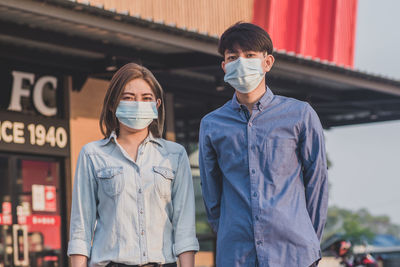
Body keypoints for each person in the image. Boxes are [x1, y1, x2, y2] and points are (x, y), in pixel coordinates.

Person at [199, 22, 329, 267]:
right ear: (225, 66)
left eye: (249, 55)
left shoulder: (300, 114)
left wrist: (308, 240)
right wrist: (230, 233)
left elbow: (317, 182)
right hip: (237, 255)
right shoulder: (212, 124)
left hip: (294, 254)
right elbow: (211, 194)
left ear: (267, 62)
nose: (241, 62)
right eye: (233, 57)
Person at [68, 63, 199, 267]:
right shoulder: (92, 154)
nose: (138, 104)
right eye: (128, 97)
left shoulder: (175, 155)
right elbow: (80, 228)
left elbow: (184, 228)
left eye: (146, 98)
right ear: (112, 104)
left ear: (156, 105)